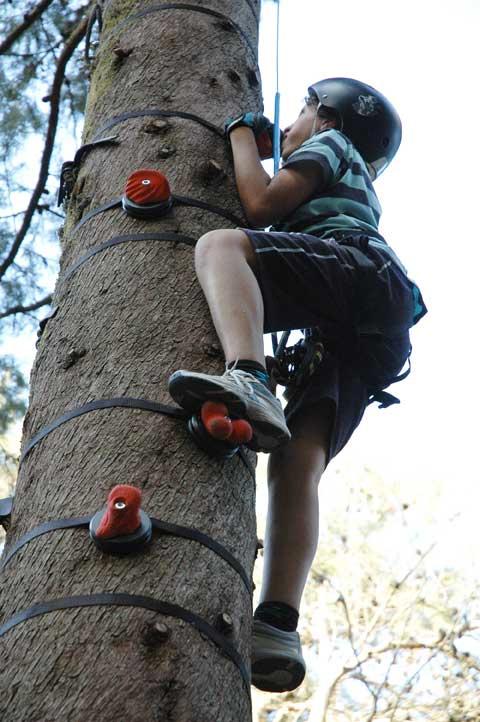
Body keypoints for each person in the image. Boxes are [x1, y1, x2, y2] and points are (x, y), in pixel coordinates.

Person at [168, 77, 427, 693]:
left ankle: (248, 376)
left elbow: (258, 207)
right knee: (295, 462)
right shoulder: (357, 182)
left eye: (300, 113)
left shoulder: (334, 145)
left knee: (221, 246)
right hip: (370, 321)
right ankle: (278, 623)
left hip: (354, 273)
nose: (288, 131)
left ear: (328, 116)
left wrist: (240, 140)